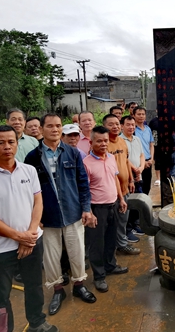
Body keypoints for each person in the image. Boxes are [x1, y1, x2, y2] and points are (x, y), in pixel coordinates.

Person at [0, 126, 58, 332]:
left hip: (32, 240)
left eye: (11, 142)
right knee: (1, 293)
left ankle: (37, 322)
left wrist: (30, 235)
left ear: (16, 144)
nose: (7, 147)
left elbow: (37, 202)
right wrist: (20, 237)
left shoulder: (29, 170)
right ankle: (4, 328)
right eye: (1, 143)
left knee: (34, 285)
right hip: (1, 247)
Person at [24, 114, 97, 316]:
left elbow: (83, 182)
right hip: (47, 216)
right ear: (41, 129)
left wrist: (86, 208)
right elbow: (28, 191)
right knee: (50, 256)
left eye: (58, 126)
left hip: (73, 211)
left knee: (77, 251)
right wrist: (35, 218)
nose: (55, 129)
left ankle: (79, 285)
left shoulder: (72, 153)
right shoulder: (32, 157)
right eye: (50, 126)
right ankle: (58, 290)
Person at [83, 126, 129, 293]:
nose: (103, 144)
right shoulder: (86, 163)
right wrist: (89, 211)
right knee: (97, 244)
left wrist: (121, 199)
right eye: (99, 141)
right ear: (91, 142)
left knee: (111, 239)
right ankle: (99, 276)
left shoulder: (110, 157)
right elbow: (84, 190)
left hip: (113, 205)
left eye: (105, 141)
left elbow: (115, 179)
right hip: (97, 208)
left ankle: (110, 265)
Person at [102, 114, 140, 253]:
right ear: (104, 126)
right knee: (112, 221)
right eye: (111, 124)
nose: (115, 126)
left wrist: (131, 180)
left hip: (125, 188)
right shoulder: (104, 144)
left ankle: (121, 244)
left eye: (117, 124)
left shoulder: (122, 141)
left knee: (123, 218)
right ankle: (118, 246)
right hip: (111, 191)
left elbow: (126, 161)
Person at [120, 116, 145, 194]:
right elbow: (124, 158)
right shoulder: (119, 140)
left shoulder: (137, 139)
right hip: (127, 178)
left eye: (133, 125)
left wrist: (141, 168)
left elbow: (141, 155)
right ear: (122, 126)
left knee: (140, 199)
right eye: (128, 125)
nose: (131, 127)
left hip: (139, 176)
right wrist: (135, 169)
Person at [133, 107, 154, 195]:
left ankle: (145, 202)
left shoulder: (148, 129)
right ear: (134, 115)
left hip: (148, 161)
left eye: (143, 114)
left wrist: (151, 159)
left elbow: (151, 145)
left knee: (147, 186)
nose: (141, 116)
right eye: (138, 114)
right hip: (137, 163)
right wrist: (142, 163)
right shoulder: (132, 130)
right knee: (138, 186)